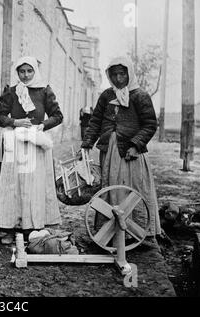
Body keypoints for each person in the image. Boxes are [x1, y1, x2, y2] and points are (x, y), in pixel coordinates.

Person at [81, 56, 161, 238]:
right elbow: (95, 122)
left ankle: (137, 231)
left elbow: (150, 124)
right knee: (110, 188)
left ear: (129, 73)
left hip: (130, 153)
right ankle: (109, 231)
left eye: (122, 74)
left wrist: (136, 145)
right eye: (114, 74)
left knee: (132, 189)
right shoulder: (106, 96)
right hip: (109, 152)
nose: (118, 79)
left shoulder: (140, 96)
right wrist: (86, 144)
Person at [0, 56, 64, 245]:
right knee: (12, 185)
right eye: (22, 71)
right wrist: (13, 122)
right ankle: (8, 228)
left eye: (29, 71)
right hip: (15, 142)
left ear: (35, 71)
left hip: (36, 143)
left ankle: (32, 227)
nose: (25, 75)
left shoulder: (44, 90)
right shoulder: (12, 92)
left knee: (35, 185)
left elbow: (57, 115)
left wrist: (43, 125)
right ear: (17, 72)